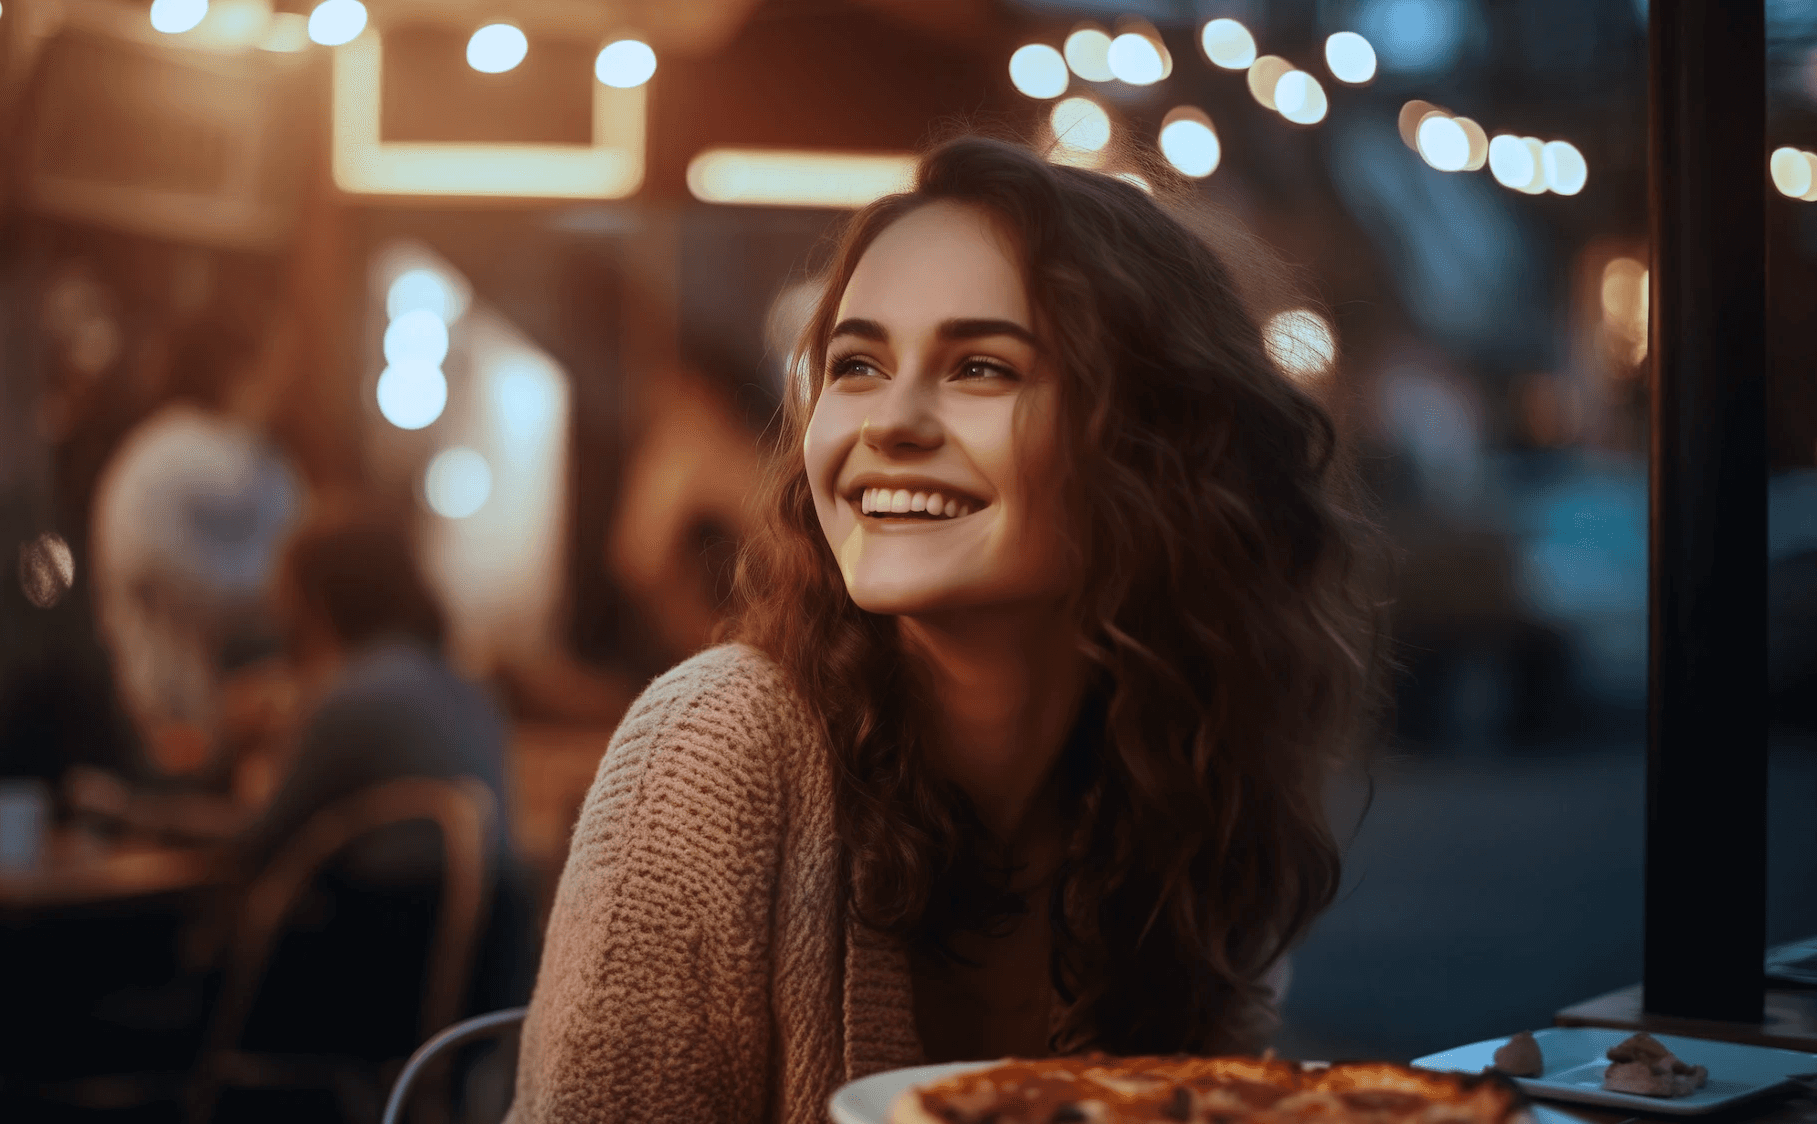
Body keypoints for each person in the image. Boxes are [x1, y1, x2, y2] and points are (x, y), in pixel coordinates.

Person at [508, 136, 1397, 1123]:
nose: (889, 423)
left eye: (979, 367)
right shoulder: (715, 746)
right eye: (855, 365)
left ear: (1160, 445)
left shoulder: (1185, 775)